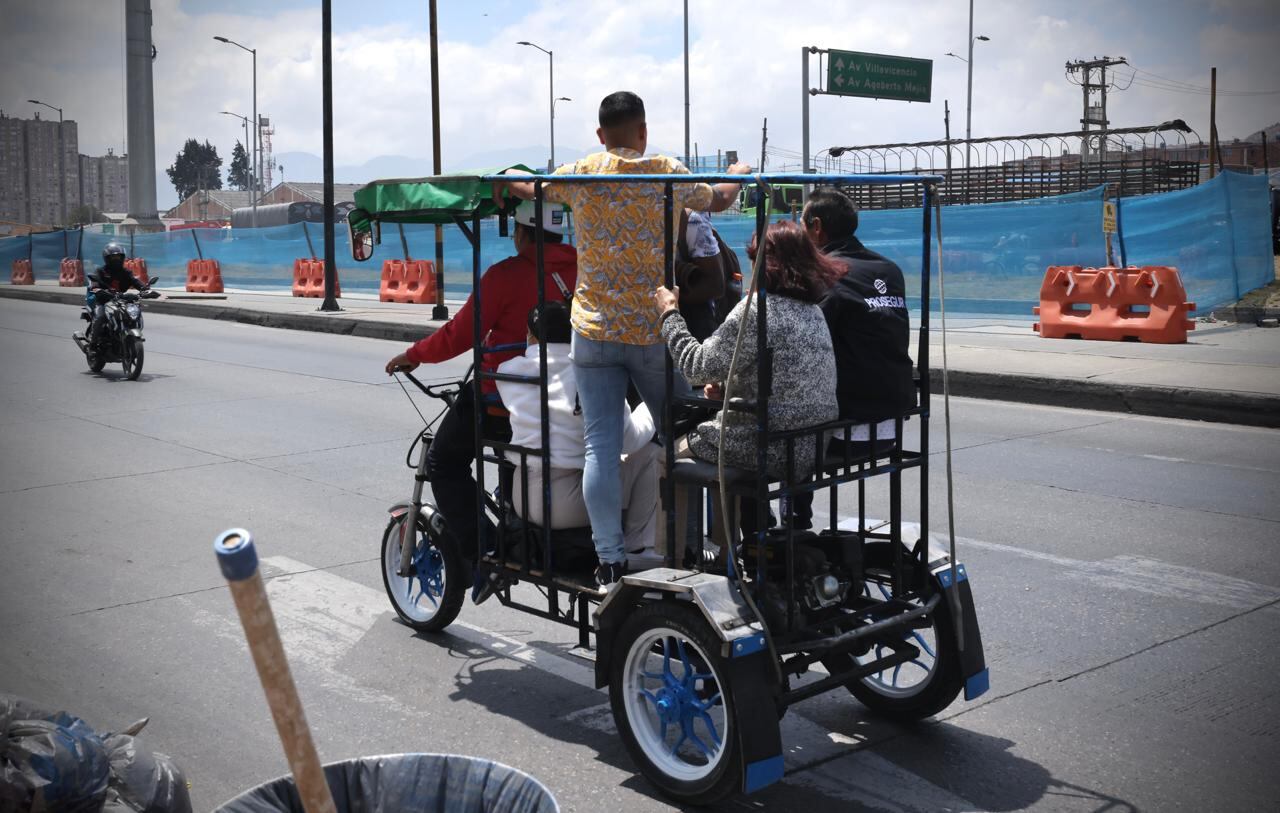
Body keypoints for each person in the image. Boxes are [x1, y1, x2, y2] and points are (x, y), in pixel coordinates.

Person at [493, 90, 750, 586]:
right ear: (643, 131)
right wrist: (738, 174)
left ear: (600, 135)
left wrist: (509, 178)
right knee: (680, 433)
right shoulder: (666, 170)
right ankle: (692, 547)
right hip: (652, 330)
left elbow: (532, 189)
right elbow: (718, 198)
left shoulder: (584, 172)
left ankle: (609, 559)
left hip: (591, 330)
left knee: (600, 449)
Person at [384, 200, 577, 565]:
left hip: (502, 400)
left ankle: (485, 551)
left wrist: (415, 354)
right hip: (570, 396)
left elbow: (459, 335)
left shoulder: (504, 275)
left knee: (442, 463)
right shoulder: (585, 269)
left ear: (520, 233)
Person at [653, 220, 841, 560]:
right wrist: (728, 386)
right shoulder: (812, 311)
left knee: (666, 457)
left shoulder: (757, 309)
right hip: (808, 444)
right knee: (726, 438)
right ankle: (727, 552)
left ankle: (671, 560)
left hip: (769, 444)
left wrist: (669, 314)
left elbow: (695, 364)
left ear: (764, 264)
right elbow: (782, 374)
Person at [770, 187, 915, 534]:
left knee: (767, 434)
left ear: (816, 227)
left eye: (802, 225)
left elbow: (797, 348)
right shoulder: (889, 269)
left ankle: (792, 530)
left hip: (849, 431)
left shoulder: (824, 274)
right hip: (892, 423)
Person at [495, 302, 660, 566]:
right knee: (650, 453)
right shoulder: (592, 375)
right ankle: (636, 547)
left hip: (522, 497)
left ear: (530, 336)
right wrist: (651, 410)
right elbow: (629, 439)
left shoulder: (508, 371)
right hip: (572, 503)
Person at [85, 242, 149, 347]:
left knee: (130, 314)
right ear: (107, 258)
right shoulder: (101, 271)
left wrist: (145, 289)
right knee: (100, 317)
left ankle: (122, 335)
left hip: (118, 300)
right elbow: (94, 285)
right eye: (113, 257)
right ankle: (93, 344)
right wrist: (98, 289)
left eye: (119, 257)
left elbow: (135, 281)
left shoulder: (125, 272)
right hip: (102, 300)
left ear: (122, 257)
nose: (116, 260)